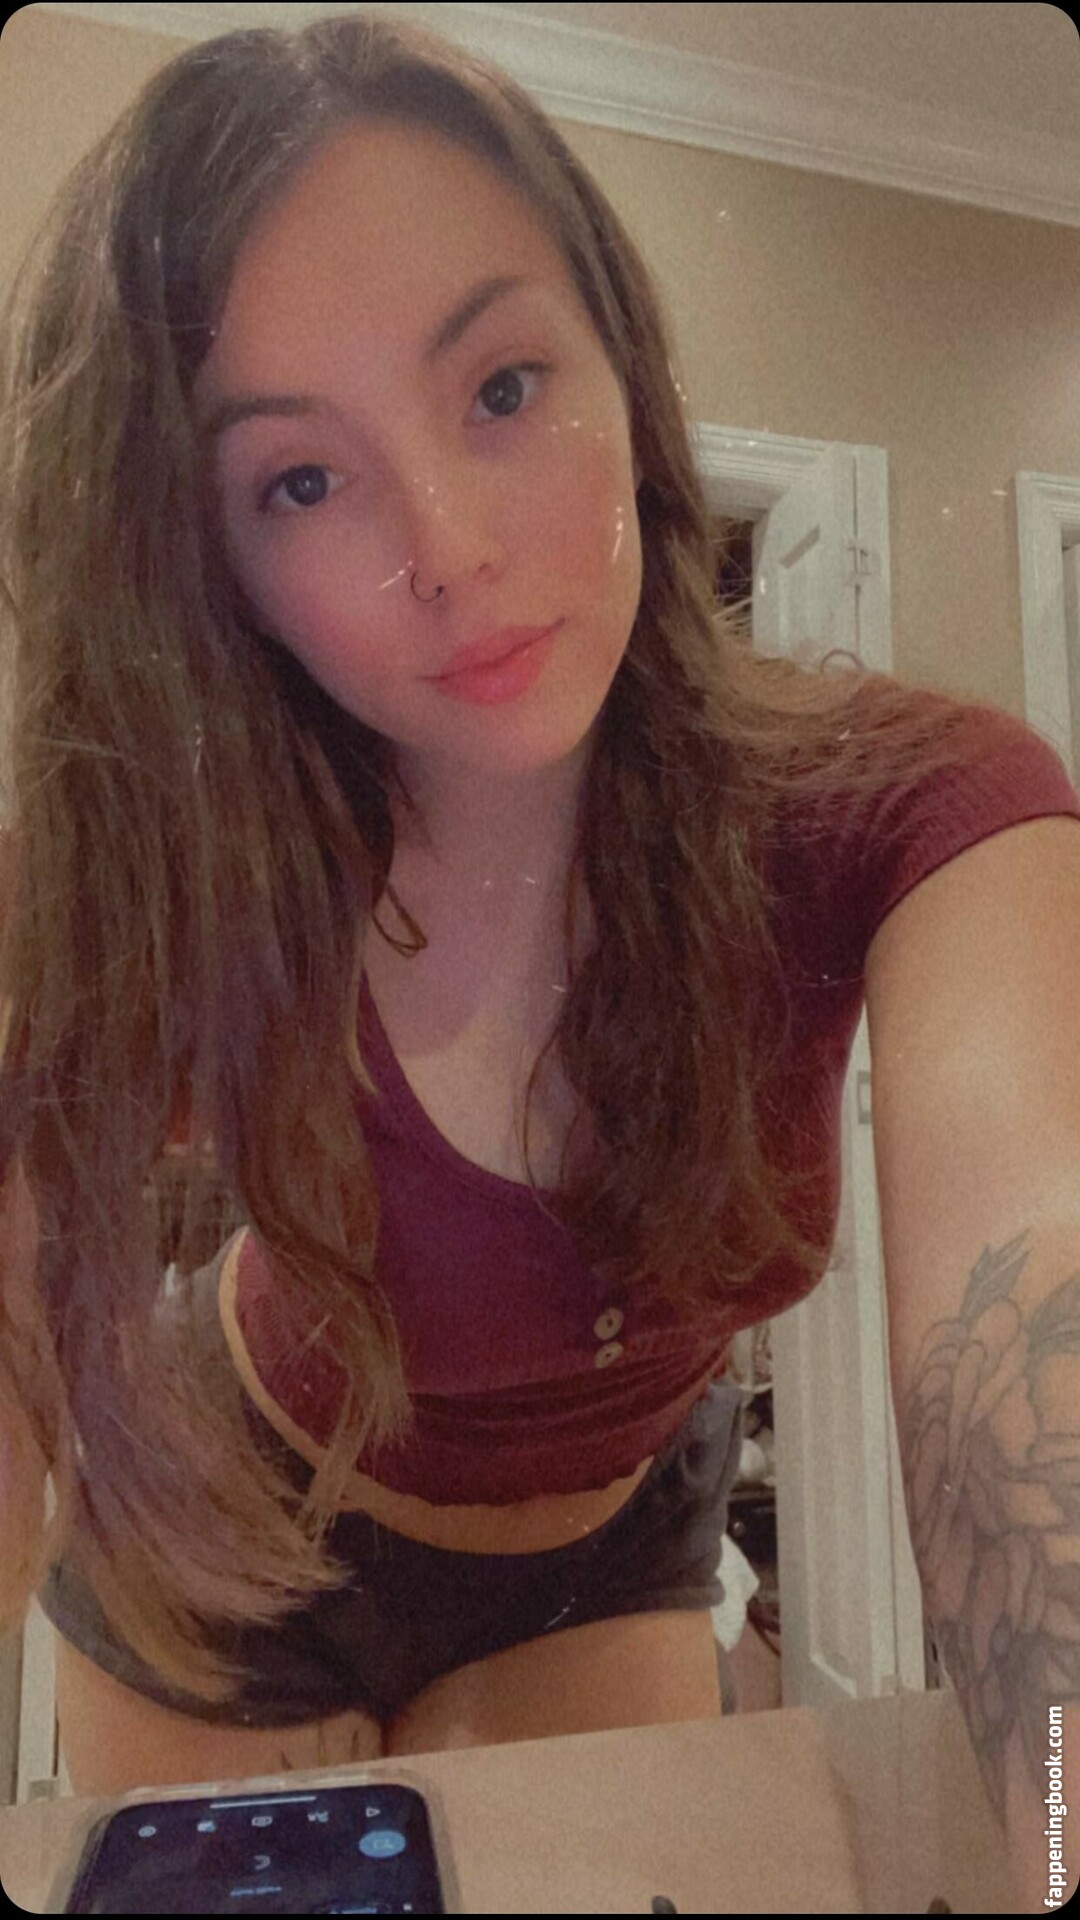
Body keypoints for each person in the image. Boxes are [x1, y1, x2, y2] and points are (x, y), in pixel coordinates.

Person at [2, 11, 1076, 1798]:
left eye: (502, 389)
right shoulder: (170, 875)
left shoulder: (913, 813)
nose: (451, 548)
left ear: (624, 373)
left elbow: (1029, 1347)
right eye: (300, 480)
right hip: (229, 1521)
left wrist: (1055, 1842)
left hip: (608, 1541)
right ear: (212, 566)